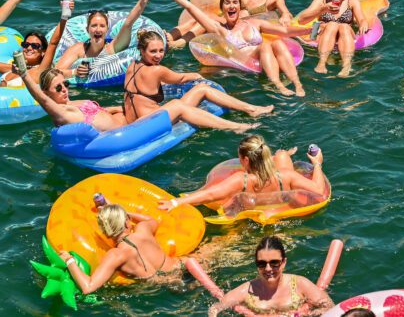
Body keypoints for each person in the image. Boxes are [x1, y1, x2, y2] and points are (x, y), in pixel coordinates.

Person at [152, 0, 308, 96]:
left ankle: (297, 83)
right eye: (227, 3)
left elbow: (286, 31)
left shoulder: (255, 22)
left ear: (240, 7)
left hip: (264, 58)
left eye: (235, 2)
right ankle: (279, 85)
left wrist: (308, 31)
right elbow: (190, 7)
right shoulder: (219, 29)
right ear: (222, 8)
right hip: (244, 60)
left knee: (278, 43)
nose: (232, 5)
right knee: (266, 46)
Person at [123, 30, 271, 132]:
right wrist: (195, 74)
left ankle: (251, 110)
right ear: (142, 51)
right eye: (153, 51)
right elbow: (180, 79)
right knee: (200, 89)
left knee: (192, 94)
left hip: (137, 122)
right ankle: (240, 123)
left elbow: (142, 91)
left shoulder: (132, 66)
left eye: (161, 51)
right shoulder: (157, 70)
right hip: (150, 123)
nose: (158, 55)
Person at [158, 134, 328, 211]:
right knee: (283, 156)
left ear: (245, 160)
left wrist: (175, 203)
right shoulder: (286, 176)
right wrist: (317, 164)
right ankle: (282, 155)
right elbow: (319, 191)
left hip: (249, 216)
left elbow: (210, 194)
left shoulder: (241, 180)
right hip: (278, 211)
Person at [58, 203, 181, 293]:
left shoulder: (116, 255)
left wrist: (69, 260)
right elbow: (152, 220)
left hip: (163, 286)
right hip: (180, 267)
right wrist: (126, 213)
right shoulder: (144, 230)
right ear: (128, 221)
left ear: (105, 232)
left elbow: (88, 287)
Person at [207, 236, 334, 316]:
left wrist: (310, 314)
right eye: (262, 264)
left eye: (274, 263)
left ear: (283, 262)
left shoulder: (300, 284)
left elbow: (329, 307)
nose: (268, 269)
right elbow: (215, 308)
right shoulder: (247, 290)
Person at [56, 0, 154, 79]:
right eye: (94, 26)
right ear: (87, 29)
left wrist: (143, 0)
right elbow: (55, 72)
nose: (98, 29)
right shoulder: (78, 49)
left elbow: (128, 23)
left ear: (107, 29)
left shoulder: (112, 49)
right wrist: (74, 72)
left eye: (102, 26)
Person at [295, 0, 368, 77]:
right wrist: (323, 9)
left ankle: (346, 66)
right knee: (332, 25)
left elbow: (362, 19)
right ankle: (321, 63)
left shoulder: (352, 1)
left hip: (344, 33)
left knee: (343, 26)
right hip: (322, 31)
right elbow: (301, 20)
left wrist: (363, 24)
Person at [20, 67, 126, 130]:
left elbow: (98, 112)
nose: (64, 89)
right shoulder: (61, 110)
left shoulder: (71, 103)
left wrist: (117, 108)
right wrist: (24, 75)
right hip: (119, 131)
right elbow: (42, 99)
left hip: (122, 122)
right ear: (46, 93)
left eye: (65, 84)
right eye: (58, 87)